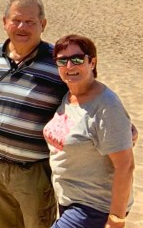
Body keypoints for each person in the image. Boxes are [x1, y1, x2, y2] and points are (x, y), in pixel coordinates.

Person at [0, 0, 67, 228]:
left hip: (34, 171)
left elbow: (83, 98)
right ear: (5, 22)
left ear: (42, 25)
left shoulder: (59, 61)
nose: (22, 27)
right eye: (16, 20)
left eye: (30, 21)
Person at [44, 35, 134, 228]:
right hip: (70, 201)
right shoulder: (70, 95)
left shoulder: (106, 105)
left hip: (94, 208)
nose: (69, 66)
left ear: (92, 62)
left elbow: (125, 166)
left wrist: (116, 220)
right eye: (62, 60)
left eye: (77, 59)